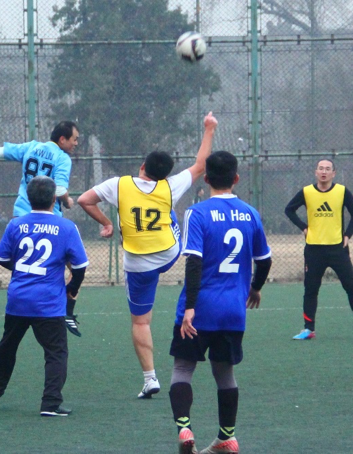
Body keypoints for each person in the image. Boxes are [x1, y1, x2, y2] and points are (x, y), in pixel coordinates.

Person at [77, 112, 218, 399]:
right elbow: (201, 165)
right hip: (169, 253)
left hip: (138, 263)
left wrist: (107, 223)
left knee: (141, 322)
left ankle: (150, 378)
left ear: (142, 166)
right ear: (165, 174)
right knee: (169, 214)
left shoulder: (118, 184)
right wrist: (209, 129)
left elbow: (84, 200)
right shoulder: (171, 185)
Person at [169, 151, 271, 454]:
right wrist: (255, 288)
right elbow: (264, 260)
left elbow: (194, 262)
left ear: (206, 179)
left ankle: (185, 429)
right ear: (236, 178)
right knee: (225, 373)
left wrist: (190, 307)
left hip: (201, 308)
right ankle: (227, 437)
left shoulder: (197, 213)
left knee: (183, 368)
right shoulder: (250, 213)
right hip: (233, 311)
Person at [0, 121, 82, 336]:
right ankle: (66, 311)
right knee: (74, 267)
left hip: (22, 216)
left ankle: (26, 305)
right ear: (62, 139)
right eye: (74, 139)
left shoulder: (31, 147)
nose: (76, 143)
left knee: (23, 265)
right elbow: (59, 189)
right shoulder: (62, 158)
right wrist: (68, 201)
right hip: (50, 220)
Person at [0, 176, 89, 417]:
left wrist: (21, 270)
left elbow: (0, 257)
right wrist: (72, 287)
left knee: (8, 344)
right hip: (48, 302)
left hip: (19, 298)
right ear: (54, 199)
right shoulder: (66, 227)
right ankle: (50, 403)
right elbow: (80, 266)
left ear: (28, 198)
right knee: (56, 352)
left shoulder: (15, 224)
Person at [284, 159, 353, 340]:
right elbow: (289, 210)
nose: (324, 172)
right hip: (314, 250)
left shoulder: (342, 191)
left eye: (327, 169)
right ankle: (309, 329)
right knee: (311, 289)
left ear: (333, 173)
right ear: (316, 172)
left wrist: (348, 234)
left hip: (338, 249)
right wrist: (303, 227)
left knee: (351, 286)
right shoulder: (307, 192)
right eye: (321, 168)